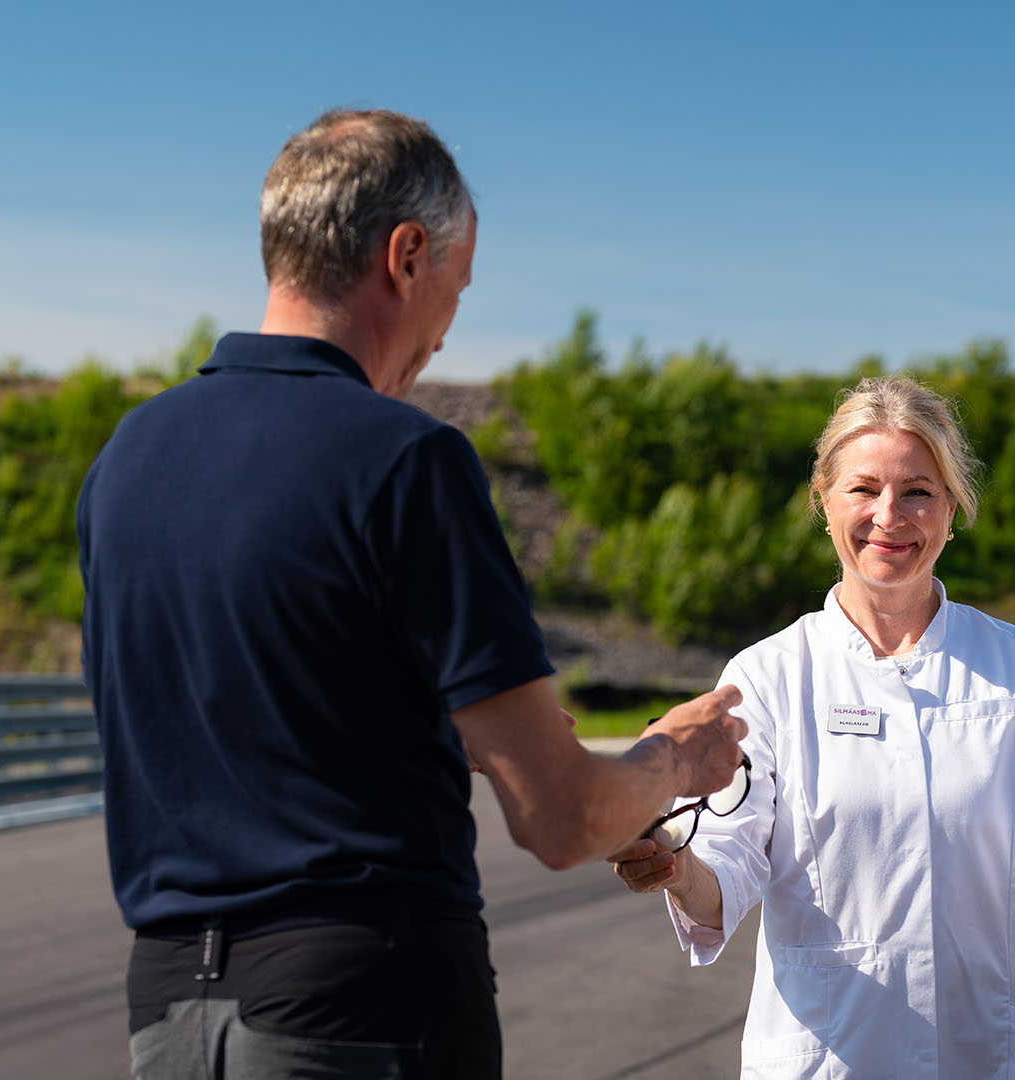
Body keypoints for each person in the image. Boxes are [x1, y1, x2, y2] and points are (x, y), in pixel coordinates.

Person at [77, 108, 746, 1079]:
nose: (442, 336)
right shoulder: (404, 460)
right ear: (406, 255)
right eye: (456, 290)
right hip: (362, 1006)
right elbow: (559, 821)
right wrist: (673, 761)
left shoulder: (127, 460)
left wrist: (429, 731)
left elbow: (227, 729)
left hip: (172, 1011)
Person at [609, 376, 1015, 1078]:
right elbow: (728, 857)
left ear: (954, 508)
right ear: (824, 501)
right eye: (863, 489)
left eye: (918, 492)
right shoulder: (769, 674)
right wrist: (673, 864)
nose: (889, 516)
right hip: (827, 1056)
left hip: (983, 1050)